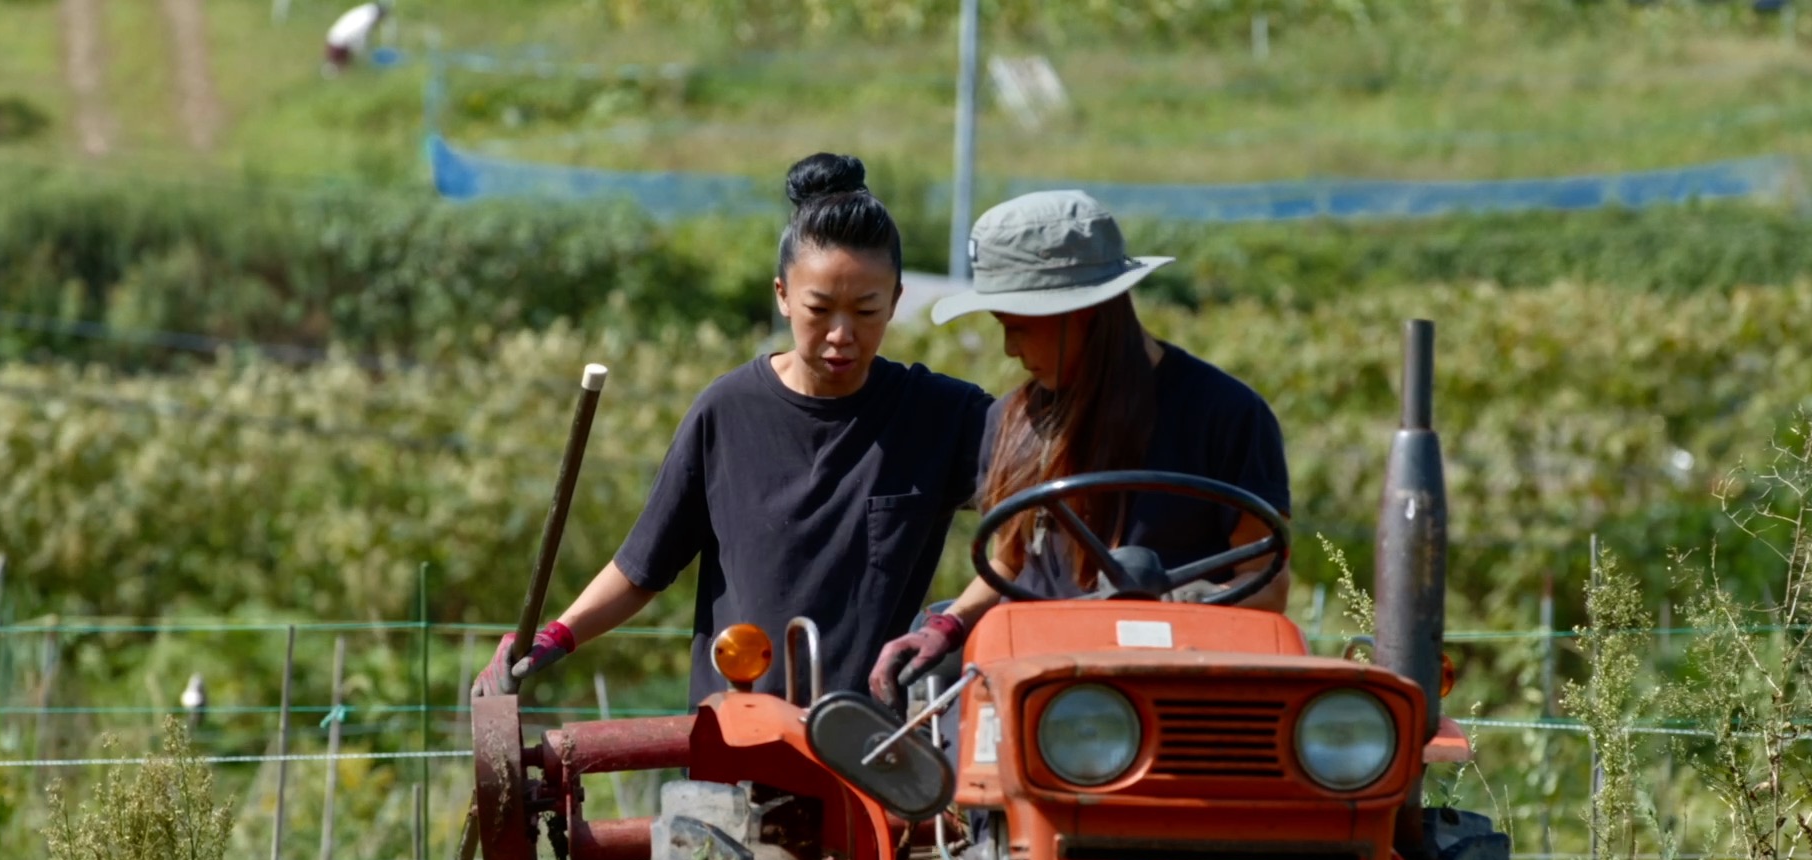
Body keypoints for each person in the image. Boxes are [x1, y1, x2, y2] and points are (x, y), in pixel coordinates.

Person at [474, 153, 993, 709]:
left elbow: (1041, 507)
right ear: (782, 296)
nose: (842, 334)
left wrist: (953, 623)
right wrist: (558, 634)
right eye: (819, 309)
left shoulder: (942, 414)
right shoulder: (727, 412)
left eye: (866, 311)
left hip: (872, 747)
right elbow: (643, 567)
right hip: (738, 742)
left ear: (894, 302)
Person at [869, 189, 1291, 706]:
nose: (1009, 348)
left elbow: (1266, 583)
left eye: (1019, 326)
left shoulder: (1226, 415)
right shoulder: (1011, 421)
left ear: (1084, 312)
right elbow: (1008, 562)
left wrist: (1162, 608)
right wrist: (948, 625)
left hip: (1184, 690)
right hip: (1039, 690)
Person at [322, 0, 390, 76]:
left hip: (337, 37)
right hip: (340, 42)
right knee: (338, 67)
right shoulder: (367, 19)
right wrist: (365, 54)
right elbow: (361, 38)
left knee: (342, 66)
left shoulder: (366, 11)